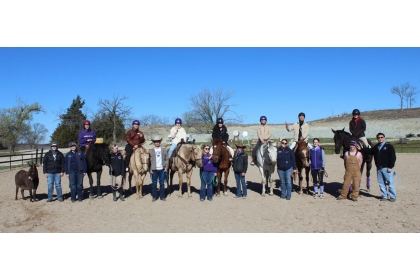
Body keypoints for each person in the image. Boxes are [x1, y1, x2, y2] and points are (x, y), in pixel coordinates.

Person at [361, 133, 397, 202]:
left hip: (386, 168)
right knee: (381, 183)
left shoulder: (389, 146)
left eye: (381, 137)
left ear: (384, 138)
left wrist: (390, 167)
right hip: (379, 168)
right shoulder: (376, 147)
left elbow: (392, 157)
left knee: (390, 183)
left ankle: (392, 196)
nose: (380, 138)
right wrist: (360, 149)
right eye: (378, 138)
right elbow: (370, 151)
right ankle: (384, 196)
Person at [149, 135, 169, 202]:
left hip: (162, 169)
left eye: (158, 141)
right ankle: (154, 196)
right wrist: (150, 169)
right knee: (154, 184)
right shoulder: (151, 151)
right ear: (154, 142)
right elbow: (149, 161)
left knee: (162, 183)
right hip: (154, 169)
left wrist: (166, 167)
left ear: (160, 142)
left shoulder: (163, 150)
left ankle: (162, 196)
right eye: (155, 142)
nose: (157, 143)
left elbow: (166, 159)